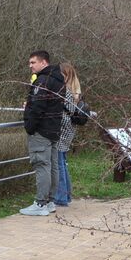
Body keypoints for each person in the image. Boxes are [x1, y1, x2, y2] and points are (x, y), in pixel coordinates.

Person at [20, 50, 65, 216]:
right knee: (52, 166)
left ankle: (40, 204)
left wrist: (30, 126)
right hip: (54, 129)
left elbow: (38, 107)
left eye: (33, 62)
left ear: (43, 62)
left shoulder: (42, 81)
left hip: (41, 131)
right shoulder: (58, 80)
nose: (30, 66)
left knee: (42, 166)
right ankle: (50, 201)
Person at [53, 62, 82, 207]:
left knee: (58, 163)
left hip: (62, 129)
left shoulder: (65, 91)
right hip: (69, 129)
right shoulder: (74, 90)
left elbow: (65, 109)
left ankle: (61, 197)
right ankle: (66, 194)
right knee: (62, 162)